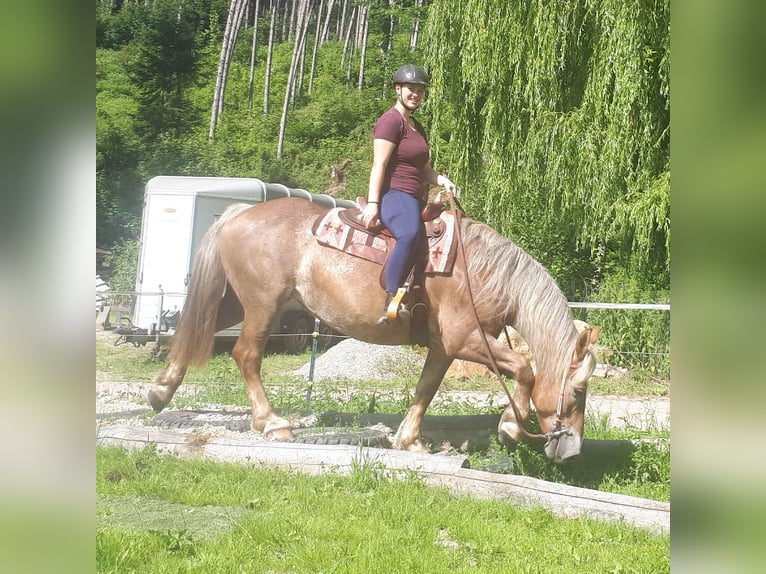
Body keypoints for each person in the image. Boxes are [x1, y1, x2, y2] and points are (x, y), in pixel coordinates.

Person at [361, 64, 456, 323]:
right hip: (394, 195)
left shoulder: (417, 127)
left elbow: (423, 168)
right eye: (410, 89)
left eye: (419, 90)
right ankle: (390, 298)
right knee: (409, 233)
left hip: (416, 198)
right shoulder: (390, 121)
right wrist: (373, 203)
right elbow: (379, 164)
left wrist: (442, 180)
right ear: (398, 89)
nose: (415, 94)